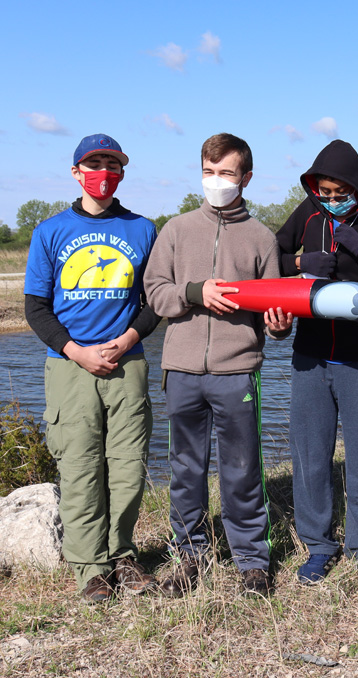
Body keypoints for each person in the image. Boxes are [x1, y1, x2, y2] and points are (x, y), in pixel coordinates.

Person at [144, 133, 293, 597]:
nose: (216, 180)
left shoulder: (262, 237)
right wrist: (195, 292)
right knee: (185, 469)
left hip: (237, 371)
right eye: (208, 171)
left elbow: (274, 311)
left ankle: (251, 560)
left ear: (245, 178)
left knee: (242, 470)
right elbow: (155, 292)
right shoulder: (176, 229)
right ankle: (189, 556)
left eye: (226, 172)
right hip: (182, 370)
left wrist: (279, 326)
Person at [24, 134, 159, 603]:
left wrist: (127, 340)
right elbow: (36, 307)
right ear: (76, 172)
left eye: (112, 164)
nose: (103, 171)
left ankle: (122, 555)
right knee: (80, 466)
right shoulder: (49, 231)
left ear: (122, 172)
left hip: (127, 364)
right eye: (94, 163)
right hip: (70, 368)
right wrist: (75, 350)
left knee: (127, 469)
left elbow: (155, 302)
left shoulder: (143, 229)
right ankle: (91, 568)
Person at [275, 140, 358, 589]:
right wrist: (299, 261)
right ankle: (319, 546)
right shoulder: (306, 215)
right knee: (311, 457)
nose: (330, 200)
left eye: (339, 192)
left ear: (356, 188)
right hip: (310, 356)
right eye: (323, 192)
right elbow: (270, 260)